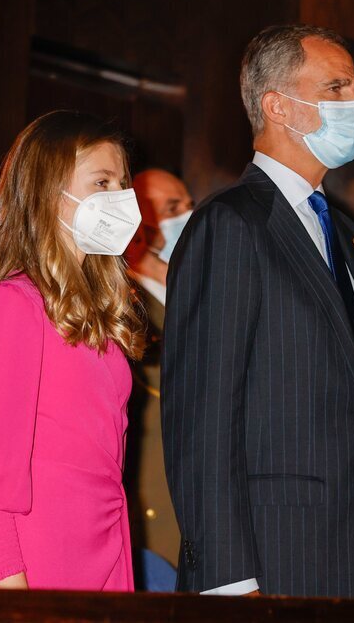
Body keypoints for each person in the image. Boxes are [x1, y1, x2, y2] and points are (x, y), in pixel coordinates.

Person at [161, 24, 354, 598]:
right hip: (269, 556)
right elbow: (203, 415)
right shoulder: (232, 224)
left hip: (349, 552)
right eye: (336, 88)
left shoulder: (350, 238)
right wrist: (227, 581)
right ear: (277, 105)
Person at [0, 111, 145, 590]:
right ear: (46, 190)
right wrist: (12, 593)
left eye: (121, 183)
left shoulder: (95, 314)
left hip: (102, 545)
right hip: (30, 564)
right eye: (101, 181)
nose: (119, 198)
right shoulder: (9, 303)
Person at [123, 168, 193, 567]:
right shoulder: (129, 311)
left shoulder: (195, 297)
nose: (188, 216)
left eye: (188, 204)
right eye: (171, 209)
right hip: (159, 502)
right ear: (139, 233)